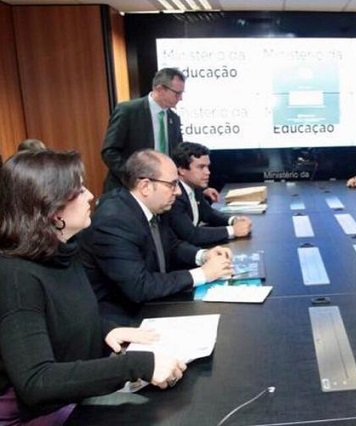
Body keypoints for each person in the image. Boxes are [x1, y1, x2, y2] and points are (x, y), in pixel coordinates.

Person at [0, 150, 185, 424]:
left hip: (73, 399)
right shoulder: (15, 277)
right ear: (52, 208)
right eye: (79, 190)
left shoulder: (64, 251)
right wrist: (137, 365)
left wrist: (106, 330)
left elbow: (62, 320)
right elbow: (37, 381)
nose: (90, 196)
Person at [79, 149, 233, 324]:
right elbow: (139, 286)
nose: (178, 192)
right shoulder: (113, 221)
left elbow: (171, 245)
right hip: (124, 318)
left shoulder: (154, 206)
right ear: (145, 186)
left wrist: (203, 256)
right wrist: (203, 274)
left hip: (155, 302)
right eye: (172, 184)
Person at [101, 68, 186, 193]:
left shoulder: (174, 119)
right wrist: (133, 177)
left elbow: (176, 154)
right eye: (177, 93)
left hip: (160, 190)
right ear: (160, 89)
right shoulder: (128, 111)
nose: (180, 98)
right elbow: (109, 151)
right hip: (126, 189)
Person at [168, 142, 252, 247]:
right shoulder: (174, 196)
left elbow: (208, 213)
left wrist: (233, 220)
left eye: (207, 167)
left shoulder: (195, 187)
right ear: (182, 170)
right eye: (201, 167)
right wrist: (233, 230)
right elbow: (192, 235)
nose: (208, 172)